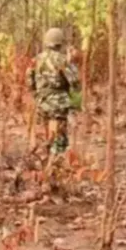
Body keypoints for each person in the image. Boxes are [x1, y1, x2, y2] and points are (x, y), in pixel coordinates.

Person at [26, 27, 80, 156]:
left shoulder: (36, 59)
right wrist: (71, 63)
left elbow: (29, 80)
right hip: (58, 102)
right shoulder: (62, 59)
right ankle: (55, 165)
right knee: (59, 138)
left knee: (47, 133)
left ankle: (47, 160)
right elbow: (74, 81)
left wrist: (37, 94)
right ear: (60, 43)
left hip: (42, 101)